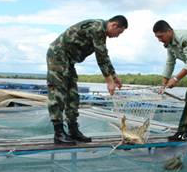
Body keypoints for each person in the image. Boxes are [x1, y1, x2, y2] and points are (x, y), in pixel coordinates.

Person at [47, 15, 128, 145]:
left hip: (68, 60)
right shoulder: (97, 28)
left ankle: (73, 130)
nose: (117, 36)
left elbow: (104, 55)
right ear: (114, 25)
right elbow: (100, 57)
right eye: (119, 32)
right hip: (57, 55)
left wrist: (114, 76)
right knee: (58, 93)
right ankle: (59, 133)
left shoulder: (101, 32)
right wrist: (109, 81)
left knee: (72, 95)